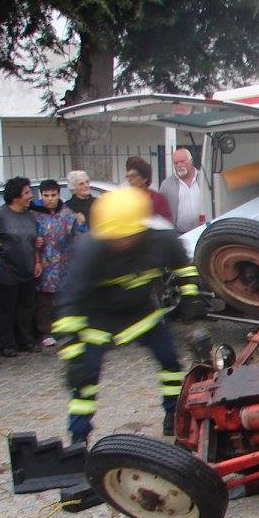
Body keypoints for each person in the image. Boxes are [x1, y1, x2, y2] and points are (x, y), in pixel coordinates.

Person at [52, 187, 203, 445]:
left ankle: (174, 416)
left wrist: (191, 298)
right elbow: (70, 302)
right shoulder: (91, 249)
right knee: (84, 382)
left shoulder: (162, 241)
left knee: (170, 364)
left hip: (142, 314)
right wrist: (73, 353)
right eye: (114, 238)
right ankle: (78, 439)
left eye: (126, 236)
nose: (119, 242)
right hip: (97, 320)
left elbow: (183, 268)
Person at [0, 177, 40, 357]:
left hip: (27, 268)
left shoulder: (30, 216)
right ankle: (6, 344)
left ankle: (26, 340)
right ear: (16, 196)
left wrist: (37, 261)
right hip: (6, 270)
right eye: (27, 192)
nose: (31, 196)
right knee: (6, 309)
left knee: (26, 308)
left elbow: (34, 241)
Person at [33, 180, 82, 348]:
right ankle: (45, 331)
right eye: (46, 196)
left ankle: (65, 329)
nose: (50, 199)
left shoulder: (67, 214)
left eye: (53, 195)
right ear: (40, 196)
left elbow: (78, 236)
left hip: (64, 264)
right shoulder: (34, 215)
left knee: (63, 299)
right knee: (44, 301)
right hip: (44, 264)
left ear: (59, 195)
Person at [159, 148, 203, 233]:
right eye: (176, 163)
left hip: (205, 231)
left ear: (191, 161)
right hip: (180, 234)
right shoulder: (167, 184)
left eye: (182, 161)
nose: (179, 165)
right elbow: (161, 209)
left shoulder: (204, 179)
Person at [125, 156, 173, 222]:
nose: (130, 180)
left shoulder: (158, 199)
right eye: (128, 176)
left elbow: (166, 223)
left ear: (145, 178)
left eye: (133, 176)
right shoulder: (124, 198)